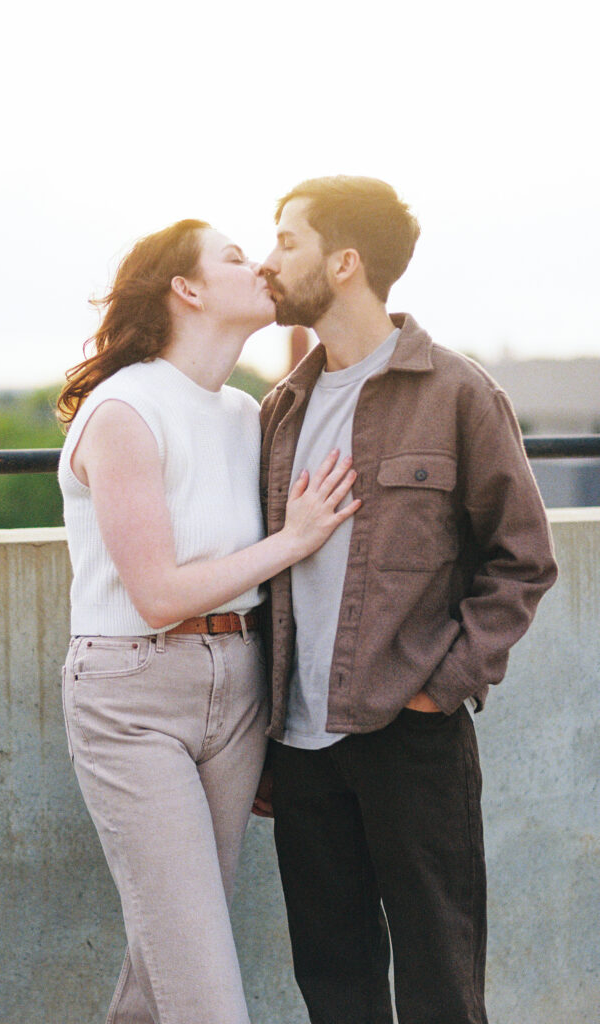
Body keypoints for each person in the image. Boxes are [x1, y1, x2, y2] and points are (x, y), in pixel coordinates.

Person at [253, 177, 558, 1024]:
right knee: (334, 983)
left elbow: (522, 558)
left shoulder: (457, 392)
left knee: (439, 987)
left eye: (288, 240)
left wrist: (442, 686)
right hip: (301, 748)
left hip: (411, 738)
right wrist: (265, 728)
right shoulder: (283, 406)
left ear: (345, 262)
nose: (269, 260)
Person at [55, 218, 360, 1024]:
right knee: (204, 991)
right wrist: (293, 541)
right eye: (233, 257)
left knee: (167, 975)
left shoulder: (242, 414)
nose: (258, 263)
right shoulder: (123, 409)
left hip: (238, 688)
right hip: (133, 694)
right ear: (185, 289)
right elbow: (157, 592)